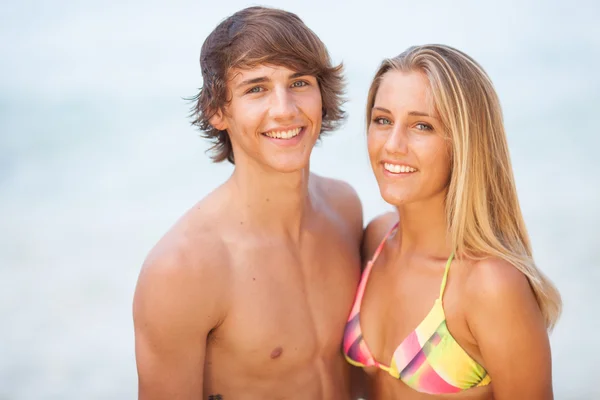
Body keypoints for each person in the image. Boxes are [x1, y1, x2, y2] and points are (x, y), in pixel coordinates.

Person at [132, 6, 364, 400]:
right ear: (218, 111)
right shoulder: (182, 270)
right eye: (256, 88)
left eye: (300, 82)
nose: (285, 109)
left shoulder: (345, 208)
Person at [343, 44, 562, 399]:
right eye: (382, 120)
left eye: (422, 126)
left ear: (464, 142)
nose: (393, 145)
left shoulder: (491, 284)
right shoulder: (377, 238)